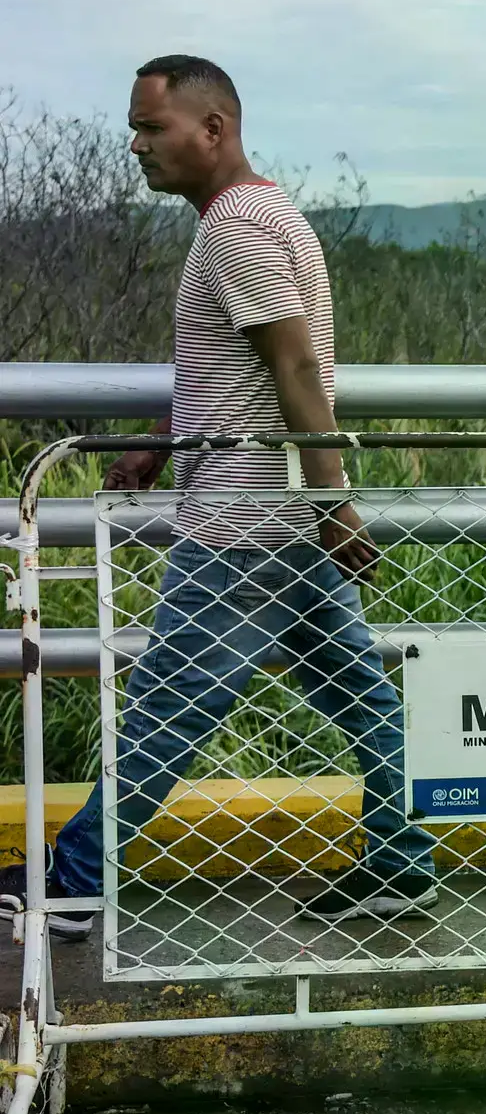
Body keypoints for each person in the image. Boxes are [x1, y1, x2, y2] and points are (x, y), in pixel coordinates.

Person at [0, 55, 437, 939]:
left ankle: (74, 886)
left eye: (151, 127)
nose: (135, 145)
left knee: (168, 710)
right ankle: (400, 862)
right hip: (286, 519)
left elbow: (296, 366)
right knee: (364, 699)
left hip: (244, 524)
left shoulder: (235, 228)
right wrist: (162, 444)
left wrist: (333, 503)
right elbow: (241, 367)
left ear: (213, 128)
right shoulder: (264, 214)